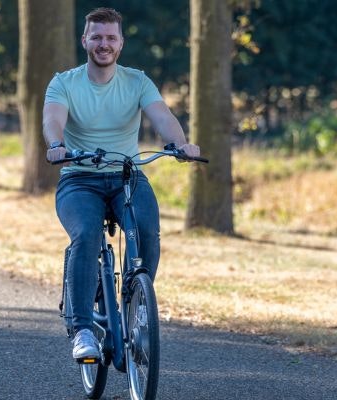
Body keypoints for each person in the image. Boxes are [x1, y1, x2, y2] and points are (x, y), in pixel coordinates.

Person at [43, 7, 201, 360]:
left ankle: (138, 312)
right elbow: (53, 120)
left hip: (127, 174)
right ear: (84, 40)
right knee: (85, 234)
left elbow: (162, 116)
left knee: (147, 231)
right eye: (96, 37)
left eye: (110, 37)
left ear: (121, 43)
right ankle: (82, 328)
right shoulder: (64, 82)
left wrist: (180, 144)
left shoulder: (137, 81)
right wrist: (57, 146)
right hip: (79, 179)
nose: (104, 44)